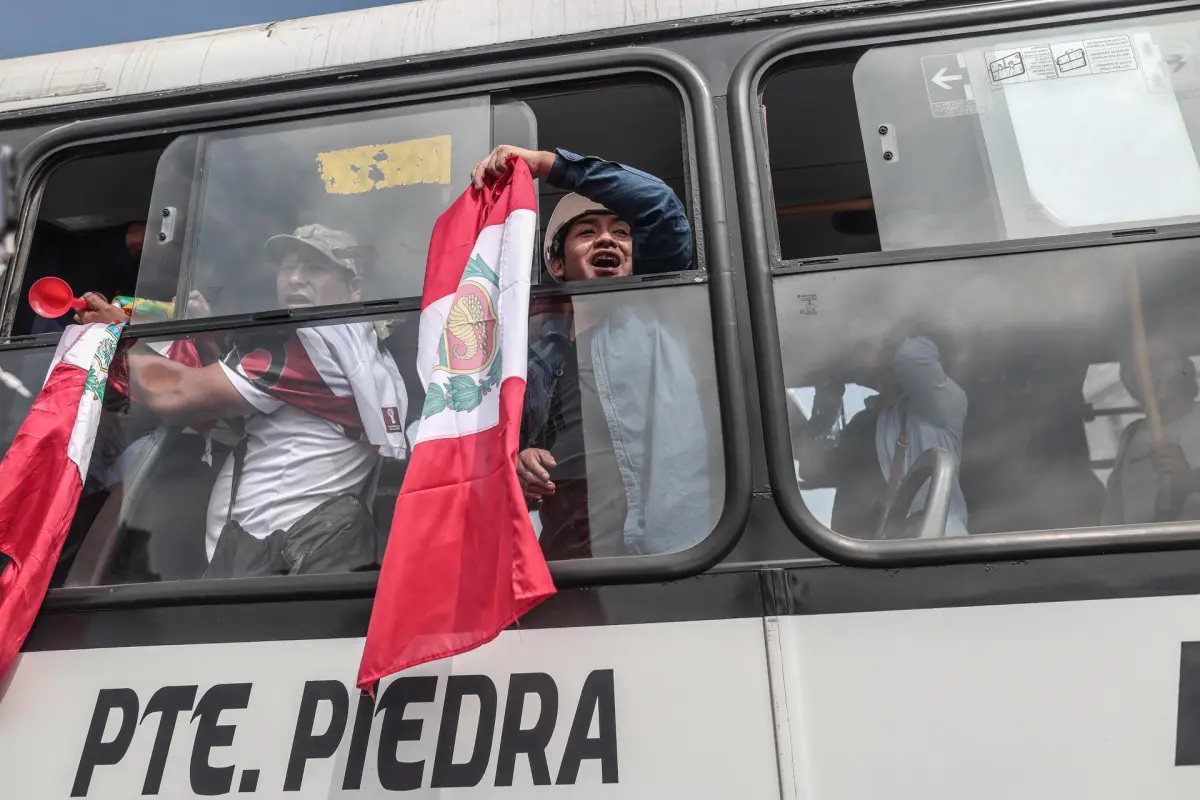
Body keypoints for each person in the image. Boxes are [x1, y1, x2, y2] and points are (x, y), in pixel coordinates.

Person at [82, 224, 409, 576]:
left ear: (354, 288)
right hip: (272, 559)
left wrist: (118, 339)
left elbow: (177, 394)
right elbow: (242, 414)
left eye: (314, 268)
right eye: (288, 267)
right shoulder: (360, 356)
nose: (296, 279)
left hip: (271, 560)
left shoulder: (316, 351)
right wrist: (208, 339)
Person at [471, 145, 717, 559]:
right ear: (559, 265)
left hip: (661, 548)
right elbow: (498, 444)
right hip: (567, 548)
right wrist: (520, 459)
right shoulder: (527, 353)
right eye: (587, 233)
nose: (607, 238)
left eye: (621, 232)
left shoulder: (656, 311)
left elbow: (659, 205)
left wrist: (547, 165)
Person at [791, 327, 969, 539]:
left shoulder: (945, 404)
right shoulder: (864, 422)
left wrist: (886, 329)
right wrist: (828, 404)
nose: (855, 353)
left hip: (929, 545)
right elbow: (812, 469)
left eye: (864, 345)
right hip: (862, 553)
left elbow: (911, 356)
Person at [1102, 338, 1200, 525]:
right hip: (1138, 551)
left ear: (1185, 368)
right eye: (1142, 363)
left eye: (1165, 359)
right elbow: (1113, 513)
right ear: (1129, 376)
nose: (1154, 371)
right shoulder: (1130, 435)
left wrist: (1187, 480)